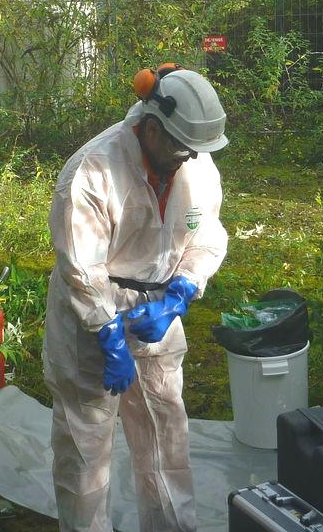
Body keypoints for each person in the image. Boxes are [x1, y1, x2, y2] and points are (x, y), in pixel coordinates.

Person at [44, 64, 229, 532]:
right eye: (181, 147)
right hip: (90, 318)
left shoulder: (194, 162)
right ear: (150, 129)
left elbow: (206, 235)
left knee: (166, 433)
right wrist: (108, 335)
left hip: (158, 312)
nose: (188, 159)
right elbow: (82, 268)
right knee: (86, 448)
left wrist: (181, 293)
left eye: (195, 150)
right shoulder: (92, 172)